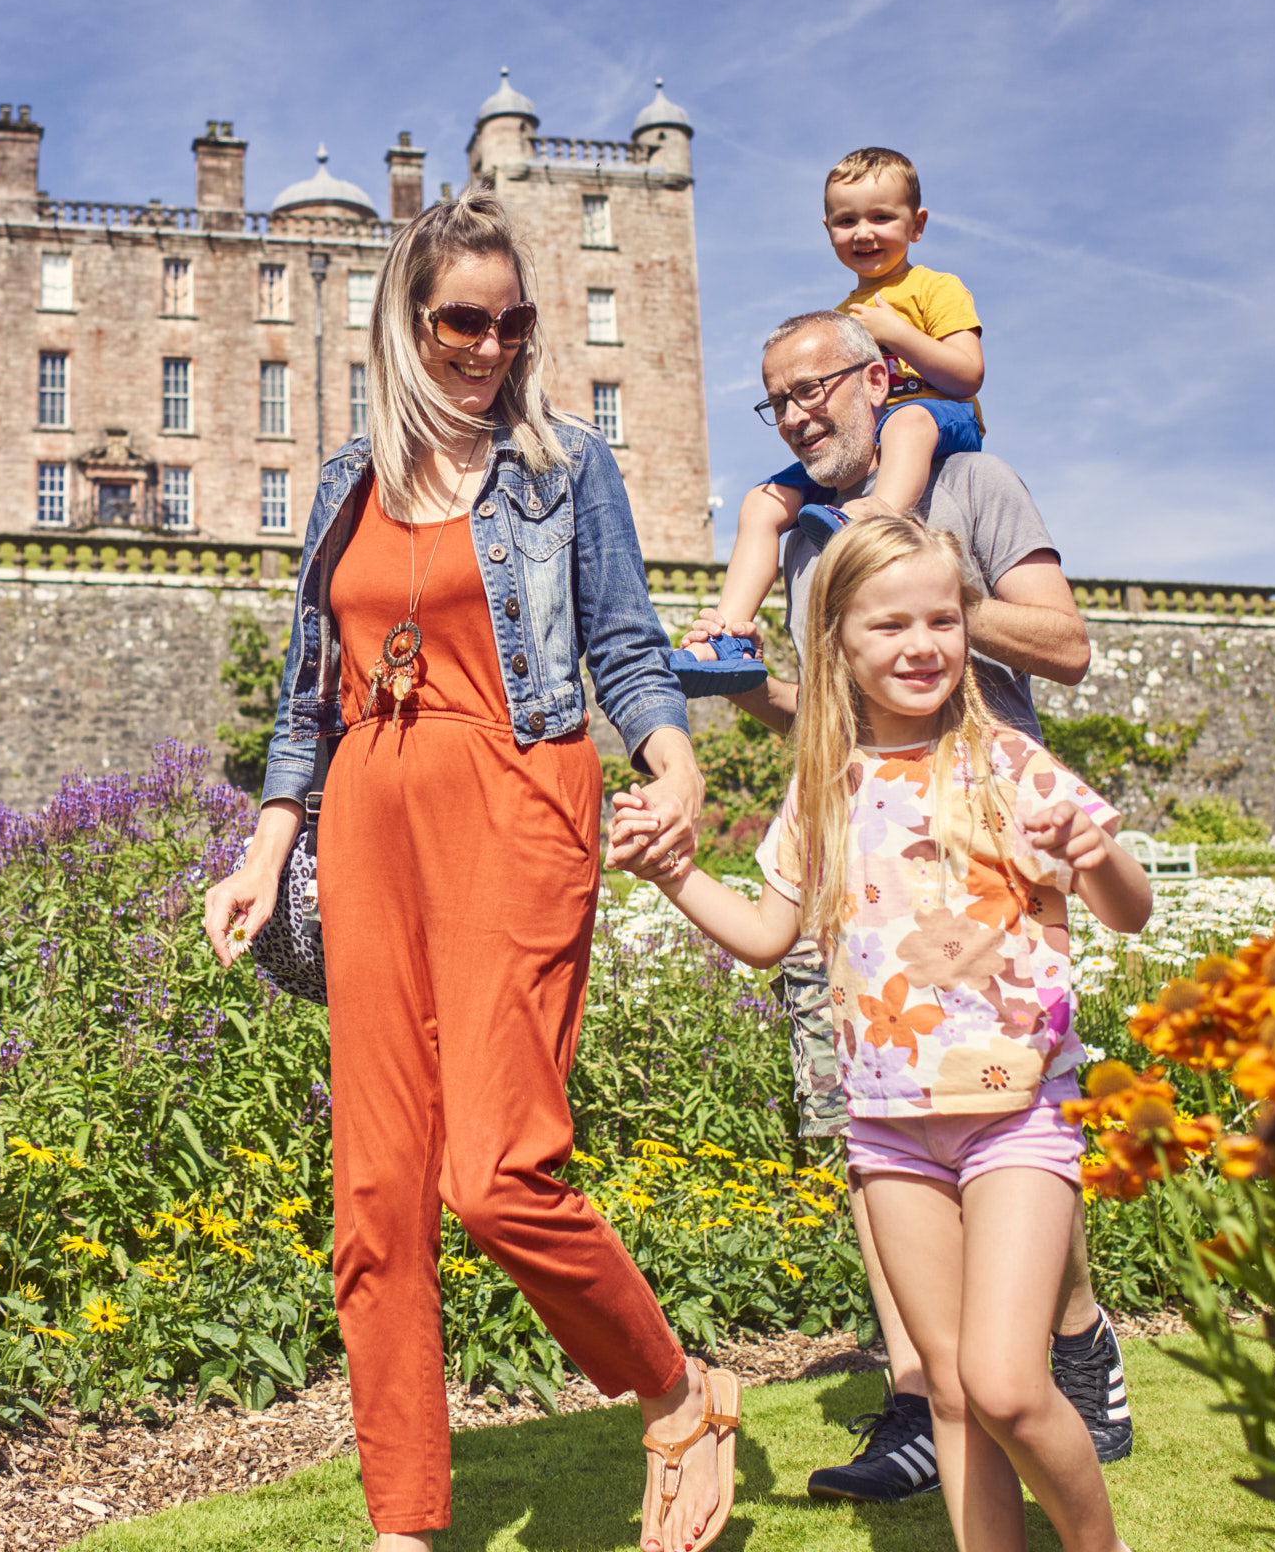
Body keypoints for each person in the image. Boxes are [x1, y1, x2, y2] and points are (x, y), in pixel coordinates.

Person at [200, 193, 738, 1552]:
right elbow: (306, 687)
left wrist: (675, 763)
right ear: (408, 318)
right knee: (376, 1188)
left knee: (498, 1173)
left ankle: (676, 1392)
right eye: (462, 321)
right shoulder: (347, 479)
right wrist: (268, 847)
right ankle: (405, 1524)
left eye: (513, 322)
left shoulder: (564, 469)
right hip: (367, 818)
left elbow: (625, 645)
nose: (489, 347)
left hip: (516, 794)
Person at [610, 511, 1153, 1552]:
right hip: (891, 1129)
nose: (923, 643)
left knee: (1005, 1376)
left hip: (1016, 1117)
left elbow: (1131, 911)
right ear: (838, 647)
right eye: (891, 622)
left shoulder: (1008, 762)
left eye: (943, 619)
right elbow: (769, 933)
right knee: (950, 1391)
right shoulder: (824, 784)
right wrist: (675, 872)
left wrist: (1094, 853)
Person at [686, 307, 1133, 1505]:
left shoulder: (976, 480)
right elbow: (832, 708)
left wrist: (923, 599)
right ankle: (921, 1402)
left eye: (812, 389)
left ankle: (1075, 1335)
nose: (793, 416)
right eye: (772, 401)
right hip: (853, 859)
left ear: (878, 377)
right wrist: (754, 686)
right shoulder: (792, 536)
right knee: (869, 1120)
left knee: (1004, 1121)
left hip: (990, 856)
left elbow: (1071, 645)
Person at [677, 146, 984, 698]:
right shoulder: (843, 315)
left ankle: (875, 517)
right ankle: (729, 634)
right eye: (847, 221)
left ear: (917, 225)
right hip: (873, 437)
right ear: (828, 229)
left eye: (881, 217)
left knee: (907, 420)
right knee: (761, 502)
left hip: (940, 418)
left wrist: (898, 335)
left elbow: (968, 374)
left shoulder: (936, 288)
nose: (863, 232)